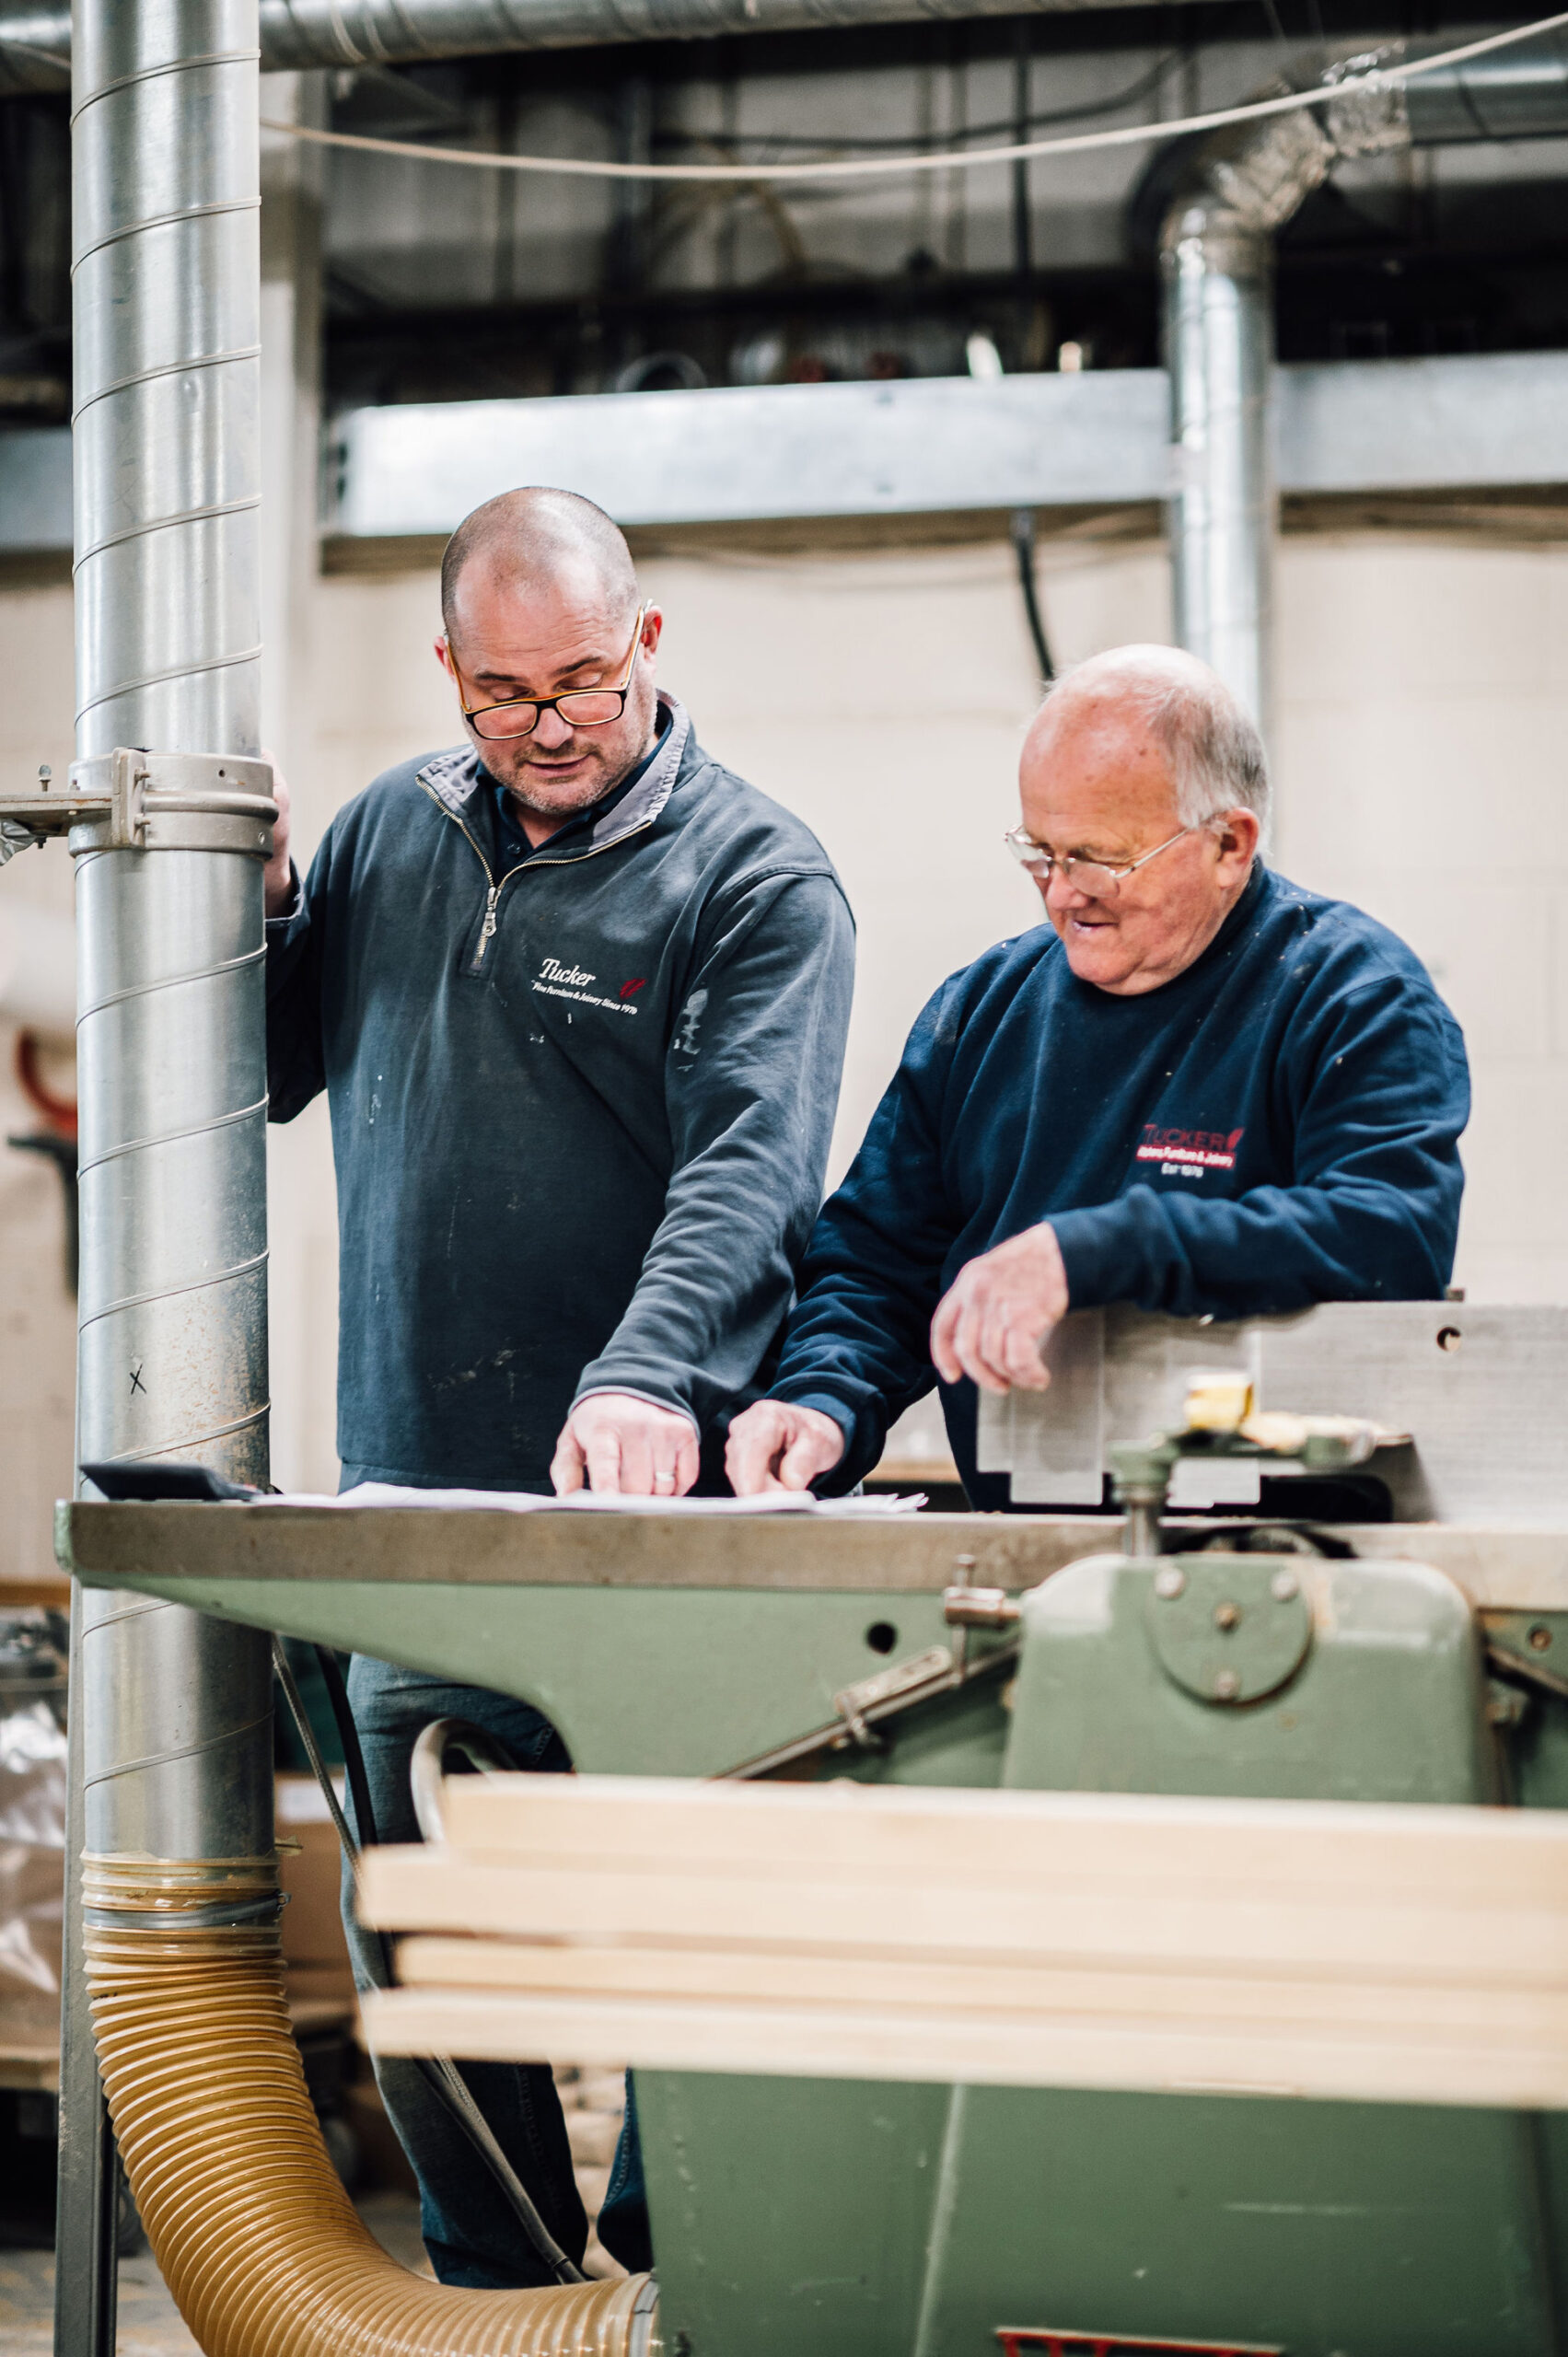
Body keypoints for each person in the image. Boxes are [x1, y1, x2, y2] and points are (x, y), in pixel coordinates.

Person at [264, 487, 854, 2282]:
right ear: (448, 667)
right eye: (503, 689)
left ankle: (698, 2288)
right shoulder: (390, 831)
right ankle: (497, 2295)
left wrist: (646, 1372)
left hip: (652, 1524)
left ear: (647, 645)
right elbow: (259, 1071)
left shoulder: (754, 878)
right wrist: (235, 911)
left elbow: (746, 1173)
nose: (548, 722)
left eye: (585, 678)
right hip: (418, 1510)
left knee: (698, 1932)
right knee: (435, 1952)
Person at [726, 643, 1469, 1503]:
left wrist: (1094, 1251)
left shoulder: (1351, 995)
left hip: (1290, 1558)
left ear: (1228, 842)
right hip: (1028, 1550)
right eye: (1039, 851)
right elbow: (874, 1263)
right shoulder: (984, 1010)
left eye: (1099, 859)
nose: (1059, 895)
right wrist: (821, 1399)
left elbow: (1388, 1236)